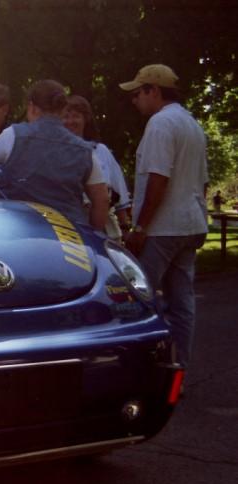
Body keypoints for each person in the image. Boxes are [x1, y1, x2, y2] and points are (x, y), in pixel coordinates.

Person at [119, 63, 208, 369]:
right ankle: (178, 366)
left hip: (163, 228)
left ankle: (135, 368)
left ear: (153, 91)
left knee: (138, 297)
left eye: (137, 93)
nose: (134, 101)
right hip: (191, 223)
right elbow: (203, 182)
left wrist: (140, 226)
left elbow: (158, 178)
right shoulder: (192, 124)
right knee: (183, 302)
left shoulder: (160, 124)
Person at [0, 79, 109, 230]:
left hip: (20, 228)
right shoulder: (85, 150)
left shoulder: (13, 136)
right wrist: (92, 235)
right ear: (63, 110)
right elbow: (101, 199)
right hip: (70, 236)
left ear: (32, 107)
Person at [62, 95, 132, 240]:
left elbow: (119, 196)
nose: (70, 121)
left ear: (85, 119)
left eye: (75, 116)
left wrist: (125, 227)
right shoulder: (54, 152)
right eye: (65, 116)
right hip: (68, 228)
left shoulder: (101, 151)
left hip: (104, 228)